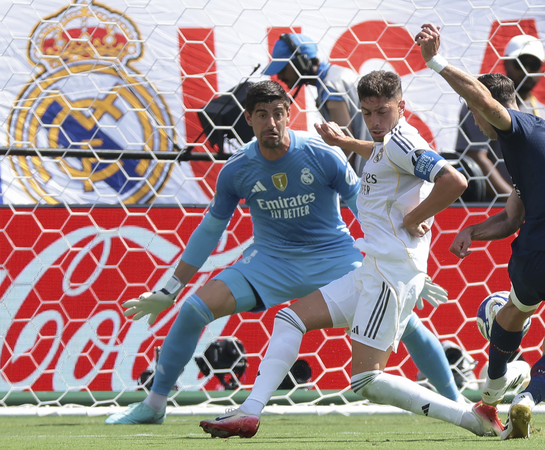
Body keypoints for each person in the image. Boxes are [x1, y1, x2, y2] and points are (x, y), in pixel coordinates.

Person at [105, 80, 461, 426]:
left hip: (333, 257)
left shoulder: (323, 154)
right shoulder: (236, 170)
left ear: (289, 113)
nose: (271, 123)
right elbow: (210, 230)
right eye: (262, 115)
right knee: (194, 309)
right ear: (248, 119)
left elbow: (363, 208)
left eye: (278, 113)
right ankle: (154, 404)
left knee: (410, 324)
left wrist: (402, 267)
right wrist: (171, 289)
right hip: (270, 262)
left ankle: (458, 403)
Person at [199, 70, 505, 439]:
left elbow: (455, 181)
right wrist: (349, 141)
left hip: (388, 275)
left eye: (384, 112)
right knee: (290, 319)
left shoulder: (403, 142)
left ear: (401, 107)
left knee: (366, 379)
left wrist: (414, 217)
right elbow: (384, 152)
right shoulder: (388, 142)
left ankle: (471, 417)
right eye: (369, 112)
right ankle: (250, 412)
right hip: (373, 270)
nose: (375, 122)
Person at [416, 23, 545, 440]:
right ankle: (527, 400)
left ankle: (491, 396)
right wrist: (473, 232)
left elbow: (483, 100)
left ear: (492, 107)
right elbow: (512, 217)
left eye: (478, 112)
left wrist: (435, 61)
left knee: (511, 312)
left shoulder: (520, 127)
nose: (476, 121)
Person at [455, 34, 545, 199]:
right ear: (506, 63)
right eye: (521, 63)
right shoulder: (480, 106)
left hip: (531, 207)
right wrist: (512, 200)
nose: (527, 70)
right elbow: (475, 156)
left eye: (534, 64)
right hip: (489, 205)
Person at [264, 33, 369, 171]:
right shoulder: (336, 75)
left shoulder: (330, 87)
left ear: (301, 63)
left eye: (283, 68)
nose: (279, 76)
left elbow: (345, 146)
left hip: (367, 177)